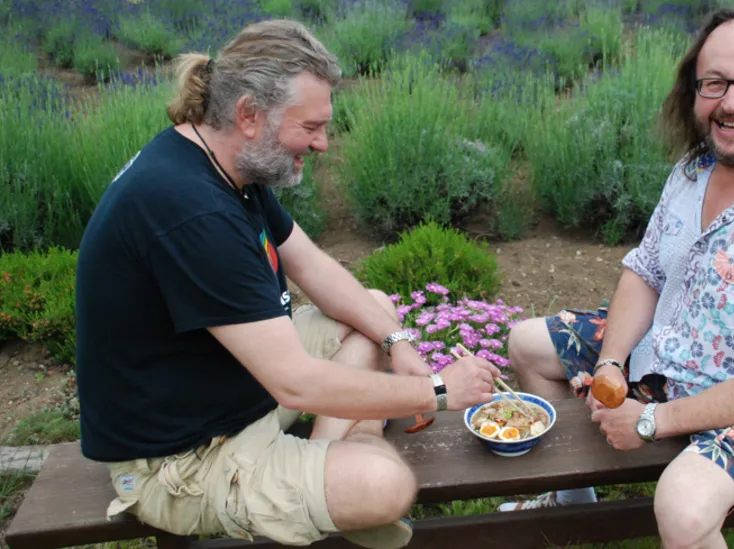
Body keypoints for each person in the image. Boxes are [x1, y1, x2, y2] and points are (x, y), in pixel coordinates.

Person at [74, 19, 500, 549]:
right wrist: (437, 390)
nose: (323, 144)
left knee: (371, 310)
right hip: (182, 459)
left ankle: (326, 451)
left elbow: (312, 267)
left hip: (227, 388)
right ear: (249, 114)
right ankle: (343, 457)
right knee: (385, 485)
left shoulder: (222, 163)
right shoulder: (190, 211)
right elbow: (294, 382)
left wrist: (401, 342)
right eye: (311, 127)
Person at [498, 5, 734, 548]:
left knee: (683, 506)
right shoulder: (694, 169)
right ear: (693, 91)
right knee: (527, 343)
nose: (730, 101)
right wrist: (610, 364)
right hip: (675, 349)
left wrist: (651, 420)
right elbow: (646, 271)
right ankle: (574, 500)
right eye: (714, 83)